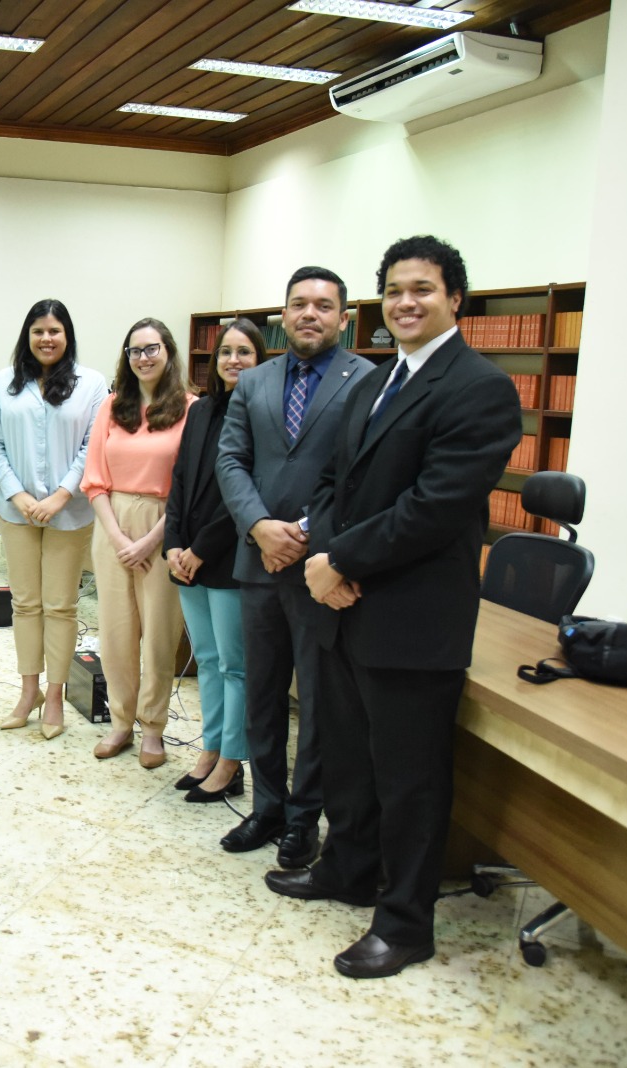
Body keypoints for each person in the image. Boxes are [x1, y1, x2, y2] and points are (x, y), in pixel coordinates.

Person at [275, 235, 522, 979]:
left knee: (409, 778)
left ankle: (407, 922)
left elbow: (434, 507)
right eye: (395, 290)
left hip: (413, 618)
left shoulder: (480, 387)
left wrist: (339, 560)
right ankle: (348, 868)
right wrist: (325, 557)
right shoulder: (374, 382)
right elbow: (331, 483)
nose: (406, 302)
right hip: (345, 607)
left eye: (423, 289)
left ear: (455, 299)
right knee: (347, 757)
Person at [216, 267, 373, 869]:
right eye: (299, 304)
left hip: (319, 566)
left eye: (323, 306)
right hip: (257, 562)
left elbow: (360, 474)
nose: (310, 314)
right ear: (283, 315)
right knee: (261, 691)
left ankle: (305, 819)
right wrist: (259, 527)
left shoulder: (366, 380)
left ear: (343, 317)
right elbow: (231, 460)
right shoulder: (253, 381)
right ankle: (268, 807)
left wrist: (305, 532)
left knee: (314, 699)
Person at [0, 299, 107, 740]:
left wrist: (58, 497)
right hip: (16, 512)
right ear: (27, 336)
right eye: (38, 331)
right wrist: (17, 493)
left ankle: (55, 697)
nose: (46, 338)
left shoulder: (91, 384)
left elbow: (93, 445)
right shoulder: (4, 382)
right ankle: (28, 690)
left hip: (68, 513)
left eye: (54, 330)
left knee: (60, 605)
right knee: (25, 603)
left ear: (67, 335)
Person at [80, 318, 194, 769]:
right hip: (111, 525)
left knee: (159, 635)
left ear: (168, 352)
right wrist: (117, 536)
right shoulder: (112, 407)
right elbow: (94, 479)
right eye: (134, 351)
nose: (143, 358)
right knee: (116, 633)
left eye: (151, 349)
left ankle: (153, 729)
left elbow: (187, 486)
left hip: (164, 526)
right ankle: (121, 723)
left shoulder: (189, 408)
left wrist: (149, 540)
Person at [165, 319, 259, 800]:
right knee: (206, 658)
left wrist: (199, 549)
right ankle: (209, 750)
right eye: (226, 352)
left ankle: (231, 761)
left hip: (228, 560)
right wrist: (174, 545)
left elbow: (241, 498)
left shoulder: (262, 413)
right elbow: (179, 480)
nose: (233, 361)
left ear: (260, 360)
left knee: (233, 666)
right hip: (187, 558)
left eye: (245, 352)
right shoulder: (199, 411)